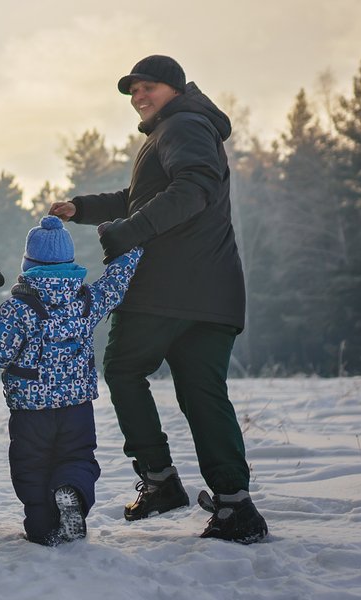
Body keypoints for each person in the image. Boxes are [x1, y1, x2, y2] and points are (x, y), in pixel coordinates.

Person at [49, 55, 268, 544]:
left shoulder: (183, 125)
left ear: (174, 87)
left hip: (165, 289)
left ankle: (160, 480)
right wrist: (83, 208)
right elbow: (143, 196)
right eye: (133, 90)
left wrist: (129, 233)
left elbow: (194, 188)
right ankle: (236, 505)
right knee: (202, 392)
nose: (139, 96)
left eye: (148, 87)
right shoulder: (184, 127)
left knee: (124, 370)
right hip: (213, 294)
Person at [0, 216, 141, 546]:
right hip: (77, 408)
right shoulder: (86, 301)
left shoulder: (18, 308)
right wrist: (131, 251)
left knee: (31, 467)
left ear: (28, 264)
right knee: (77, 459)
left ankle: (42, 527)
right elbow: (114, 284)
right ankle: (71, 490)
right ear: (70, 262)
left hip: (31, 411)